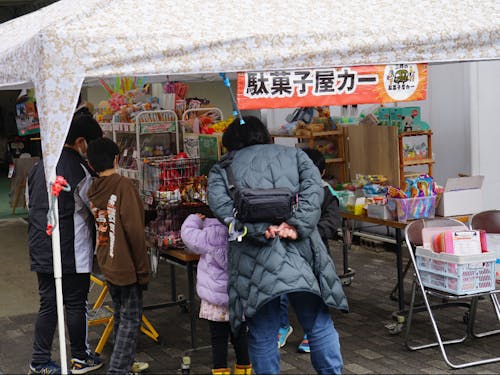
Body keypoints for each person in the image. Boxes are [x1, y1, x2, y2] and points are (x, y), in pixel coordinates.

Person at [208, 116, 348, 375]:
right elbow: (314, 190)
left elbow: (222, 209)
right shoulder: (295, 156)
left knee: (262, 331)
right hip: (302, 250)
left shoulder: (222, 168)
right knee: (317, 322)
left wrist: (259, 230)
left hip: (253, 256)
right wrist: (296, 225)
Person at [27, 112, 104, 374]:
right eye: (89, 144)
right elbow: (94, 206)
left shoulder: (40, 166)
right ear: (80, 141)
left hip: (41, 246)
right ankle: (80, 358)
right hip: (70, 249)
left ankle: (39, 360)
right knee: (75, 303)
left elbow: (31, 205)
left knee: (48, 304)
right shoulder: (79, 169)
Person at [86, 137, 150, 375]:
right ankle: (118, 368)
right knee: (131, 319)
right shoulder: (124, 186)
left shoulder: (92, 189)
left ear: (91, 165)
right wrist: (143, 272)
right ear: (116, 158)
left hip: (106, 260)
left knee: (121, 314)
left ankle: (121, 362)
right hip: (126, 265)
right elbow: (135, 232)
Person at [278, 148, 342, 353]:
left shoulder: (326, 194)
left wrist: (307, 232)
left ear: (322, 173)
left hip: (315, 251)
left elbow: (331, 222)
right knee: (280, 289)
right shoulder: (287, 190)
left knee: (315, 290)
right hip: (288, 249)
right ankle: (281, 326)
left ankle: (312, 332)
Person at [181, 212, 251, 375]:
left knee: (218, 339)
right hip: (238, 296)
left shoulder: (210, 232)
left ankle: (220, 370)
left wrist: (195, 218)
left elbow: (188, 233)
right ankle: (244, 370)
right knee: (240, 337)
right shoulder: (245, 229)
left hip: (215, 299)